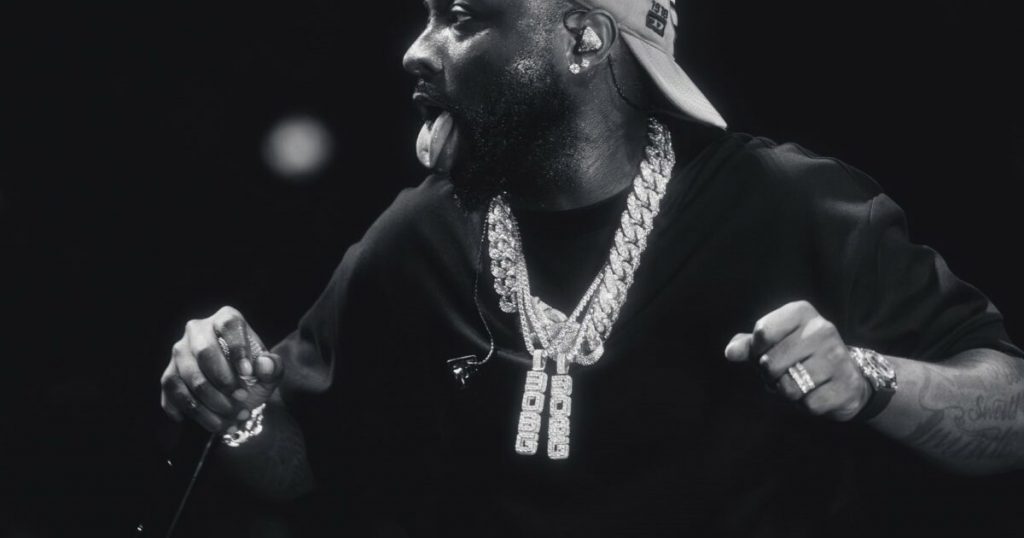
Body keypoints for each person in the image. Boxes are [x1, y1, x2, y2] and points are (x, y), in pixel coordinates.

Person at [159, 0, 1024, 535]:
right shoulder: (418, 233)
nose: (416, 51)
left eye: (461, 17)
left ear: (582, 37)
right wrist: (236, 409)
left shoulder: (790, 204)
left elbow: (1011, 414)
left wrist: (869, 379)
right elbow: (302, 470)